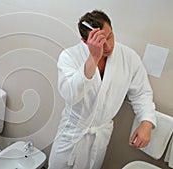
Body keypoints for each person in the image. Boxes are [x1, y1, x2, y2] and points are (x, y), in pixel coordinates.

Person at [48, 10, 156, 169]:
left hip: (100, 136)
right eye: (99, 42)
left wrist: (146, 122)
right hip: (72, 135)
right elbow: (71, 95)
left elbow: (141, 93)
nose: (108, 46)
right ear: (85, 41)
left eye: (110, 37)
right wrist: (93, 58)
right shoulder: (69, 56)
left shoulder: (129, 57)